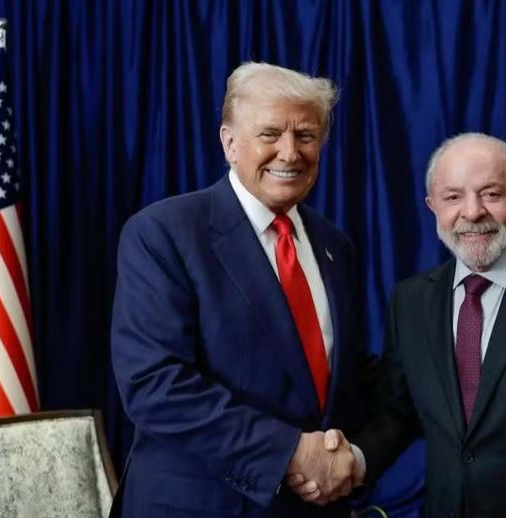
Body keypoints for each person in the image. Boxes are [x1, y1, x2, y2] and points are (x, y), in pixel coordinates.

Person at [292, 133, 506, 517]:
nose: (473, 212)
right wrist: (353, 462)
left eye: (492, 194)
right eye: (453, 197)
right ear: (433, 207)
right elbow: (397, 415)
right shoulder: (411, 301)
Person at [110, 62, 368, 517]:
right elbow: (155, 384)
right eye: (270, 134)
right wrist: (290, 453)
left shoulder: (334, 245)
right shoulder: (163, 233)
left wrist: (347, 459)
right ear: (229, 143)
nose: (289, 153)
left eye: (306, 136)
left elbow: (344, 380)